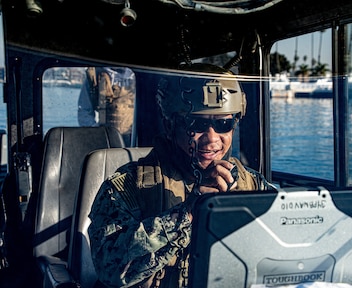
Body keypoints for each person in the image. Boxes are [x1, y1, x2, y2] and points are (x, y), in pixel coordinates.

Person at [88, 63, 277, 288]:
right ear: (170, 125)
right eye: (196, 124)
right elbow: (111, 270)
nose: (212, 139)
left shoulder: (252, 185)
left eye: (224, 124)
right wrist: (186, 214)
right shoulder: (126, 189)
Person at [78, 67, 135, 146]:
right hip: (105, 139)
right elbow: (84, 111)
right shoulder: (95, 75)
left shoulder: (136, 74)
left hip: (133, 140)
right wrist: (97, 134)